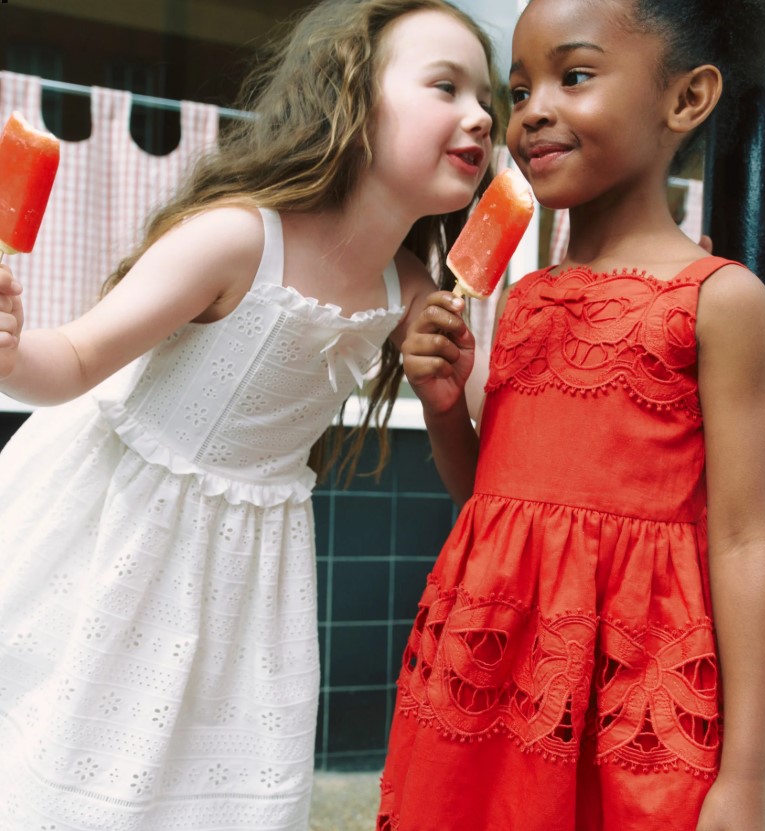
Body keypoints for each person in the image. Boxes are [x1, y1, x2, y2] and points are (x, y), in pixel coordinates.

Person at [0, 0, 496, 827]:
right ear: (350, 99)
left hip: (249, 567)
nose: (479, 113)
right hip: (115, 525)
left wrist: (447, 400)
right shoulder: (234, 239)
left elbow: (483, 479)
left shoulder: (413, 292)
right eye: (445, 85)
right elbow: (76, 364)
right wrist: (12, 351)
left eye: (486, 98)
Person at [377, 0, 765, 829]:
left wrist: (745, 775)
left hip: (637, 697)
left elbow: (747, 537)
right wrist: (442, 407)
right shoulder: (524, 299)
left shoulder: (718, 300)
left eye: (573, 76)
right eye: (519, 89)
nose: (532, 109)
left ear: (684, 99)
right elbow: (492, 507)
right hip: (495, 685)